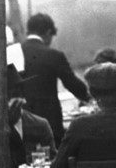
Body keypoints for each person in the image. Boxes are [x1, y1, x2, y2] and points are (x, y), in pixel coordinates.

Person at [21, 13, 91, 146]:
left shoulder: (13, 52)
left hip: (21, 119)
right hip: (49, 119)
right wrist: (88, 97)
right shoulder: (54, 55)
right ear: (48, 32)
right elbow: (72, 84)